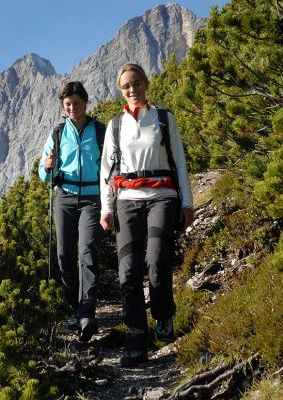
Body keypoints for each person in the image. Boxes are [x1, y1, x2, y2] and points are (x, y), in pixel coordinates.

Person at [99, 64, 194, 367]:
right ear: (120, 89)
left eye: (136, 83)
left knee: (157, 259)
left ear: (146, 83)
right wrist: (106, 208)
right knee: (128, 271)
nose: (132, 90)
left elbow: (179, 162)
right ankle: (136, 339)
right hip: (127, 201)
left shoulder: (165, 119)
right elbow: (106, 172)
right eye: (126, 86)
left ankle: (163, 317)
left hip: (162, 198)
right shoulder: (115, 126)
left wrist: (187, 203)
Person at [38, 81, 106, 343]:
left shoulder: (99, 131)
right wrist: (47, 166)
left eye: (76, 103)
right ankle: (73, 309)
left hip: (92, 198)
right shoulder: (56, 134)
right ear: (63, 106)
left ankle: (87, 313)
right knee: (65, 254)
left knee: (88, 250)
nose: (72, 108)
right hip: (65, 197)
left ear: (85, 102)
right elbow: (45, 175)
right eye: (68, 104)